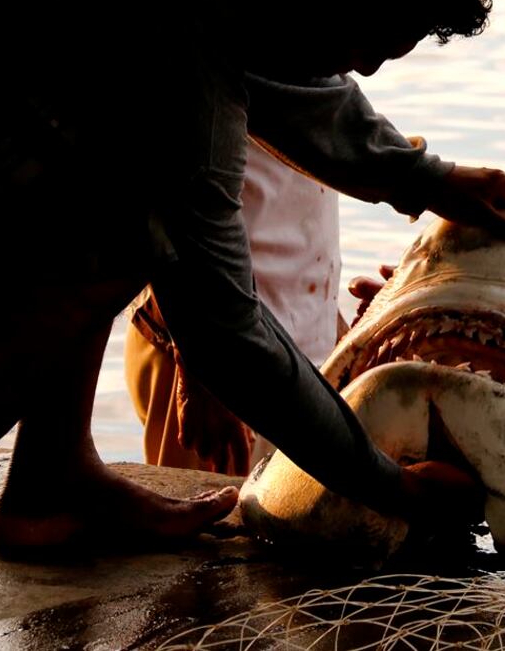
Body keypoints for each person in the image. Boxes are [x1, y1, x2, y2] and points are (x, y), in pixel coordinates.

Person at [0, 0, 505, 551]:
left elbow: (282, 77)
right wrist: (397, 487)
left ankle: (53, 472)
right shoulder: (173, 40)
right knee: (122, 224)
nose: (367, 69)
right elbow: (224, 329)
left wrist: (426, 177)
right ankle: (52, 478)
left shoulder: (230, 13)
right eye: (370, 43)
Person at [124, 140, 342, 475]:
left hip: (297, 339)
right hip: (211, 340)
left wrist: (333, 320)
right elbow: (162, 175)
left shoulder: (322, 94)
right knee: (207, 509)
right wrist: (199, 365)